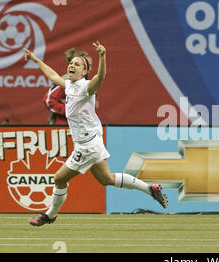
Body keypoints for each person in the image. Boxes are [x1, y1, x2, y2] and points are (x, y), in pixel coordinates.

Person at [23, 42, 168, 226]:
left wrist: (102, 56)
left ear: (84, 72)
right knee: (107, 179)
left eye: (77, 64)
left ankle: (50, 215)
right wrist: (35, 59)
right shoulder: (69, 85)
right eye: (71, 63)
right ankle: (150, 189)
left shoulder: (86, 87)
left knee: (59, 178)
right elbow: (52, 74)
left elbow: (101, 77)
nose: (71, 66)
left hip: (87, 145)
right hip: (93, 141)